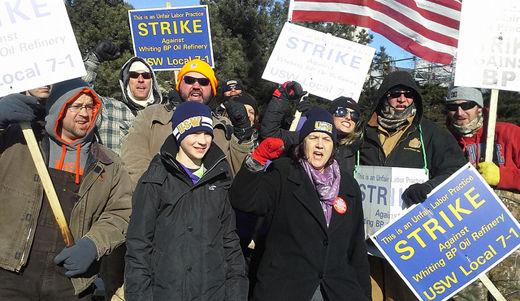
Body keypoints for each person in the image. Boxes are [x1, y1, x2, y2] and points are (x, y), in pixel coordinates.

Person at [0, 78, 132, 299]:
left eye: (90, 107)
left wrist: (93, 245)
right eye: (76, 106)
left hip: (71, 281)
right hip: (10, 273)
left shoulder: (108, 164)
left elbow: (121, 213)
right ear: (58, 108)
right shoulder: (18, 144)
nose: (84, 113)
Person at [231, 108, 371, 301]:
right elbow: (245, 200)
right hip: (287, 288)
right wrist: (256, 162)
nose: (320, 145)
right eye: (313, 137)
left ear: (334, 146)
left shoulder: (348, 185)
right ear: (303, 142)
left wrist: (364, 295)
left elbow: (356, 248)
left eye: (327, 139)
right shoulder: (284, 172)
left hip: (337, 290)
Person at [359, 71, 466, 300]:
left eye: (408, 94)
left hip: (410, 238)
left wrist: (429, 187)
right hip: (366, 238)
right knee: (369, 294)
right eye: (395, 93)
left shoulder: (430, 133)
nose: (402, 99)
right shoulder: (362, 132)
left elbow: (457, 170)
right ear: (383, 96)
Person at [125, 101, 248, 301]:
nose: (202, 141)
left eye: (207, 133)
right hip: (166, 292)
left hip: (212, 292)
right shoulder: (155, 178)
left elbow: (230, 243)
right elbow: (139, 246)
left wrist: (236, 294)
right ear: (179, 133)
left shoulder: (219, 175)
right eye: (194, 133)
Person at [121, 59, 255, 185]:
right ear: (179, 84)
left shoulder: (225, 126)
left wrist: (243, 136)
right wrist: (155, 194)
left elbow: (241, 175)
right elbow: (133, 161)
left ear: (212, 89)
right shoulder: (151, 115)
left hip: (212, 205)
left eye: (203, 82)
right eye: (189, 80)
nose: (196, 86)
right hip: (160, 204)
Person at [445, 86, 520, 300]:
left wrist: (503, 177)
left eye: (467, 105)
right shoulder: (444, 141)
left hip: (511, 244)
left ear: (479, 108)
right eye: (453, 107)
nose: (460, 112)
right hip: (466, 242)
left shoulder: (509, 133)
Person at [261, 81, 362, 175]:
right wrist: (282, 97)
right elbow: (270, 133)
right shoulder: (308, 136)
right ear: (331, 114)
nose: (348, 117)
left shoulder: (358, 149)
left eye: (354, 115)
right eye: (342, 112)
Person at [83, 41, 163, 153]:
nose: (141, 80)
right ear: (126, 81)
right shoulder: (109, 109)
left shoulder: (164, 115)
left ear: (152, 81)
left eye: (146, 75)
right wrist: (94, 60)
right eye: (134, 75)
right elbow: (80, 94)